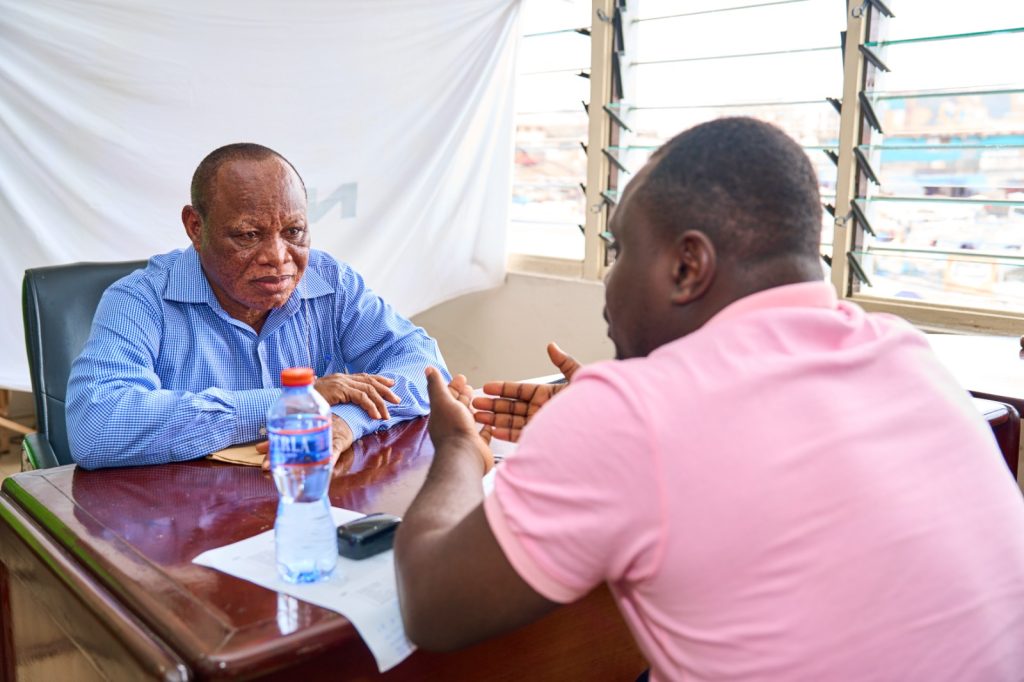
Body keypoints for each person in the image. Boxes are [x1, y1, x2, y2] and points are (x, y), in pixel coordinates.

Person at [394, 118, 1024, 680]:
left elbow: (432, 606)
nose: (608, 283)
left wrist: (458, 446)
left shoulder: (629, 416)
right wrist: (591, 432)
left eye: (617, 253)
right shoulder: (902, 351)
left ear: (687, 266)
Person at [67, 143, 448, 469]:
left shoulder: (330, 282)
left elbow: (425, 367)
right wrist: (293, 403)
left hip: (309, 498)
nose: (278, 257)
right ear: (196, 227)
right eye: (249, 235)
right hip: (190, 520)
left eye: (294, 232)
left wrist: (346, 419)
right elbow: (97, 427)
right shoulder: (140, 300)